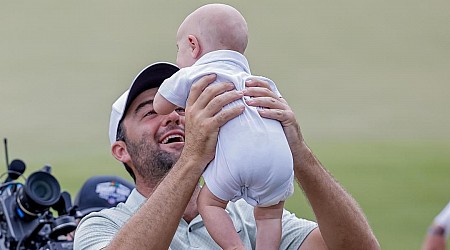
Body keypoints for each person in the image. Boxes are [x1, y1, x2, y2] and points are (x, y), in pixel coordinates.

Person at [73, 61, 380, 249]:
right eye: (150, 111)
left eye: (184, 109)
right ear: (121, 150)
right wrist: (194, 158)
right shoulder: (103, 225)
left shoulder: (249, 216)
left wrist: (299, 154)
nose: (174, 116)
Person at [153, 4, 293, 249]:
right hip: (280, 159)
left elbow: (160, 105)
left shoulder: (194, 74)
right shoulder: (259, 82)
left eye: (179, 50)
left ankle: (235, 247)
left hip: (238, 161)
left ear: (193, 45)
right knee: (270, 213)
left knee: (209, 203)